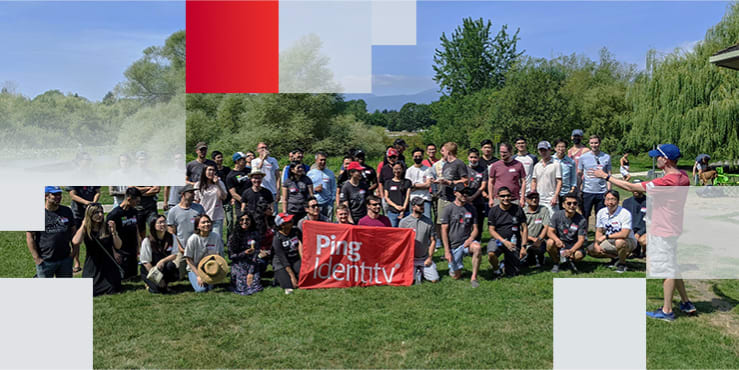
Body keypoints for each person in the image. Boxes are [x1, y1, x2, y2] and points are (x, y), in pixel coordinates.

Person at [591, 143, 695, 321]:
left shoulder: (667, 181)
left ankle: (667, 311)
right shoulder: (683, 177)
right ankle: (685, 302)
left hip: (664, 229)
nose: (656, 159)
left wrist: (606, 177)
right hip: (674, 227)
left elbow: (631, 188)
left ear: (667, 159)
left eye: (659, 157)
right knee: (674, 265)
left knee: (667, 269)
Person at [72, 203, 122, 295]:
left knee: (113, 289)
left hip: (108, 264)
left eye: (101, 212)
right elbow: (75, 241)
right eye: (96, 213)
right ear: (90, 215)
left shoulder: (107, 227)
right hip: (92, 264)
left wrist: (114, 232)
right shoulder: (86, 229)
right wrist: (83, 225)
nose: (100, 215)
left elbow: (118, 246)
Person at [26, 186, 77, 278]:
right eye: (55, 194)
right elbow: (30, 237)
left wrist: (74, 252)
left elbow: (73, 232)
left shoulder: (67, 211)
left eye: (59, 194)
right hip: (45, 260)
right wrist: (36, 257)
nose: (58, 197)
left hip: (65, 259)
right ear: (46, 196)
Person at [440, 184, 481, 287]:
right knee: (456, 276)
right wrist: (446, 251)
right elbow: (444, 230)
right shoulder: (448, 209)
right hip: (454, 245)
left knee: (477, 248)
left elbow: (476, 229)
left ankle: (474, 277)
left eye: (466, 193)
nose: (464, 195)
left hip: (467, 243)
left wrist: (471, 238)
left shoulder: (471, 208)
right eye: (462, 192)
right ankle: (454, 268)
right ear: (455, 193)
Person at [587, 190, 637, 273]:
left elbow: (624, 234)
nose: (610, 202)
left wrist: (606, 237)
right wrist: (596, 243)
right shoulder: (601, 212)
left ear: (617, 201)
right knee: (591, 250)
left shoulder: (625, 213)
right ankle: (616, 258)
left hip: (628, 241)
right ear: (604, 201)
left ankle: (622, 264)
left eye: (613, 199)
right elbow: (599, 231)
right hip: (610, 241)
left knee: (619, 242)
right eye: (607, 199)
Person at [487, 187, 528, 277]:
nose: (506, 198)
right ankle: (496, 270)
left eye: (508, 195)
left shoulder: (518, 209)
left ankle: (504, 264)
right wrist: (504, 242)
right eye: (503, 196)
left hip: (514, 241)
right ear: (498, 197)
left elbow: (524, 228)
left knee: (512, 274)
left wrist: (523, 247)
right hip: (498, 240)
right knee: (491, 253)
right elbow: (491, 230)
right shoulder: (493, 211)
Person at [167, 184, 206, 279]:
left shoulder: (199, 208)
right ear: (183, 194)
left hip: (197, 247)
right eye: (191, 192)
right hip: (181, 248)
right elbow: (171, 231)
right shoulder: (173, 211)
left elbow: (205, 225)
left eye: (194, 192)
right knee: (178, 276)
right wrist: (179, 246)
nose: (194, 194)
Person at [399, 197, 439, 284]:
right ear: (413, 207)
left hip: (424, 258)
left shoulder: (429, 222)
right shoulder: (404, 222)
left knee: (434, 279)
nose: (422, 207)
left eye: (423, 205)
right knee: (410, 281)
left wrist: (429, 258)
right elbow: (400, 242)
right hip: (410, 259)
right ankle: (417, 272)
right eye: (419, 205)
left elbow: (433, 241)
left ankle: (421, 271)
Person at [105, 187, 142, 279]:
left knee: (133, 276)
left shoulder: (134, 212)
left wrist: (139, 245)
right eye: (136, 201)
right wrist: (114, 252)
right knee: (123, 277)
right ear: (129, 199)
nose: (137, 204)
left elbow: (136, 228)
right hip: (121, 250)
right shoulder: (114, 214)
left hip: (132, 249)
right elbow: (108, 236)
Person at [546, 192, 588, 273]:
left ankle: (569, 261)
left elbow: (581, 240)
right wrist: (557, 240)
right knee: (550, 242)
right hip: (560, 243)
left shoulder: (582, 220)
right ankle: (556, 263)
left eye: (574, 203)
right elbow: (550, 232)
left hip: (574, 244)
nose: (572, 206)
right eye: (569, 203)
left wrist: (571, 251)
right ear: (563, 205)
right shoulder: (557, 215)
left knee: (578, 255)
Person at [435, 142, 469, 235]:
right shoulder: (446, 164)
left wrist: (451, 183)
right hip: (443, 196)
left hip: (453, 197)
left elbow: (465, 180)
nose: (442, 153)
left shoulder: (459, 163)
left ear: (449, 152)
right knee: (441, 221)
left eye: (444, 151)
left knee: (453, 222)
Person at [184, 214, 224, 292]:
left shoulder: (216, 237)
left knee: (209, 288)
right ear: (197, 226)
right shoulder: (193, 239)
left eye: (208, 222)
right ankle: (194, 278)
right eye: (203, 222)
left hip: (210, 268)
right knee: (201, 290)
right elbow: (188, 259)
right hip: (195, 269)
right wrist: (198, 276)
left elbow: (218, 256)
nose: (206, 224)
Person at [577, 134, 611, 226]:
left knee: (600, 215)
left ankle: (598, 235)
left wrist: (608, 190)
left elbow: (609, 175)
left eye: (596, 143)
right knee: (585, 214)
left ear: (599, 143)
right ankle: (584, 235)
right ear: (589, 144)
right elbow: (579, 174)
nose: (594, 145)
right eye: (592, 143)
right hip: (587, 190)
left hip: (602, 191)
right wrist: (578, 189)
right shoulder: (583, 157)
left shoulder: (606, 157)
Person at [139, 215, 178, 294]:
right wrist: (157, 278)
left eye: (164, 222)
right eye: (160, 223)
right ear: (153, 225)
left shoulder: (172, 237)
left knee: (171, 266)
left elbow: (174, 254)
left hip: (162, 266)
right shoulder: (147, 241)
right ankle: (149, 284)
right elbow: (146, 262)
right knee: (156, 291)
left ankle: (165, 284)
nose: (163, 224)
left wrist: (163, 261)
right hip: (150, 269)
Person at [67, 185, 101, 273]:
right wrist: (86, 203)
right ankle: (76, 262)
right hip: (77, 213)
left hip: (92, 213)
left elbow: (98, 192)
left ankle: (95, 260)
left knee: (94, 237)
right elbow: (72, 195)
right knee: (75, 239)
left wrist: (93, 204)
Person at [227, 212, 263, 295]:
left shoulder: (255, 234)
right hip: (238, 263)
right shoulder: (233, 236)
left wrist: (250, 272)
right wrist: (244, 253)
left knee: (255, 285)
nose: (244, 222)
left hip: (252, 263)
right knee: (242, 287)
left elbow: (256, 254)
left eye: (247, 219)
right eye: (242, 220)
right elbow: (231, 256)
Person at [194, 164, 228, 239]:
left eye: (213, 170)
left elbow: (223, 197)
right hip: (203, 216)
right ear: (204, 171)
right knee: (203, 239)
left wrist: (217, 184)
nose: (211, 172)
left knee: (217, 239)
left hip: (216, 215)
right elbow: (196, 201)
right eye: (209, 170)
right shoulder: (198, 185)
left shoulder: (219, 183)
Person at [272, 213, 303, 294]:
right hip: (281, 263)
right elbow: (283, 259)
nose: (292, 221)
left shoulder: (296, 231)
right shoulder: (277, 238)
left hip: (295, 259)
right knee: (289, 285)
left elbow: (301, 244)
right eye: (289, 221)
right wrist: (292, 276)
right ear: (282, 225)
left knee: (303, 279)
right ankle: (278, 277)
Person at [531, 141, 562, 215]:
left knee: (553, 222)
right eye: (541, 150)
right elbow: (534, 181)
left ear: (550, 150)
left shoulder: (556, 164)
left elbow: (559, 182)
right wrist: (533, 194)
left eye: (545, 150)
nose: (543, 152)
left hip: (551, 199)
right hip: (539, 199)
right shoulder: (537, 166)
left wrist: (555, 196)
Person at [225, 151, 252, 232]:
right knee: (242, 223)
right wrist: (244, 202)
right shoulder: (230, 176)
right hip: (240, 204)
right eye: (243, 159)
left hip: (253, 200)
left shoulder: (249, 170)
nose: (245, 161)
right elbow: (233, 193)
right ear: (237, 161)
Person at [251, 142, 281, 211]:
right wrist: (263, 159)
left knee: (273, 212)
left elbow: (278, 176)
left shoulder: (273, 160)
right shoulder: (254, 161)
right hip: (260, 190)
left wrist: (278, 191)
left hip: (272, 191)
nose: (264, 149)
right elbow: (257, 170)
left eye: (265, 148)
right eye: (262, 148)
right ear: (258, 150)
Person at [523, 192, 549, 268]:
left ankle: (540, 257)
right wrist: (531, 238)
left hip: (540, 240)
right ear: (526, 200)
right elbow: (520, 230)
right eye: (531, 198)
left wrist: (539, 239)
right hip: (526, 240)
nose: (534, 200)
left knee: (539, 247)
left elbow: (546, 226)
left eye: (536, 198)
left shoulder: (544, 209)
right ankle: (529, 257)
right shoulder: (522, 212)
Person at [307, 151, 336, 220]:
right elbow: (307, 188)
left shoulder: (330, 173)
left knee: (328, 223)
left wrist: (332, 199)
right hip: (316, 203)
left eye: (324, 160)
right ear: (316, 160)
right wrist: (314, 189)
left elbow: (334, 187)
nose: (323, 162)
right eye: (321, 160)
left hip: (328, 203)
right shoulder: (310, 174)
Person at [405, 148, 433, 219]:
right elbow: (408, 185)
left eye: (419, 156)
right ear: (412, 157)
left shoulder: (428, 169)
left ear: (423, 157)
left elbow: (428, 185)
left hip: (425, 199)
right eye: (416, 156)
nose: (418, 158)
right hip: (413, 199)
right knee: (413, 220)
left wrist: (414, 185)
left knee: (427, 220)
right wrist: (422, 185)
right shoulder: (409, 170)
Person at [622, 180, 647, 258]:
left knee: (643, 241)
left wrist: (639, 233)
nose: (635, 190)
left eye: (637, 187)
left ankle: (645, 252)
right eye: (633, 187)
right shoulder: (626, 202)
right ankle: (634, 251)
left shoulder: (650, 201)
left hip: (645, 230)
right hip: (630, 230)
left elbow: (651, 222)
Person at [467, 148, 488, 239]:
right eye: (471, 157)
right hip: (466, 199)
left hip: (478, 199)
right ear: (468, 158)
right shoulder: (464, 169)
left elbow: (483, 186)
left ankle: (477, 240)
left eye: (475, 157)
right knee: (467, 221)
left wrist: (473, 197)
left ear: (478, 158)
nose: (473, 159)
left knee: (479, 221)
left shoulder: (483, 170)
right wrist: (468, 198)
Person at [212, 150, 233, 240]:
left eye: (221, 157)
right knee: (216, 221)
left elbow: (231, 184)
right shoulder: (212, 171)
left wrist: (232, 197)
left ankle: (229, 239)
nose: (221, 159)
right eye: (218, 157)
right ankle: (216, 239)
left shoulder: (227, 170)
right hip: (216, 200)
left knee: (230, 220)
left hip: (227, 199)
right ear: (214, 159)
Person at [384, 162, 412, 227]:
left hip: (405, 212)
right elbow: (386, 198)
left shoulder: (407, 182)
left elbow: (408, 197)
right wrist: (396, 206)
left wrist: (403, 209)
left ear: (402, 169)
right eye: (395, 169)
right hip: (392, 212)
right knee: (393, 231)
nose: (397, 171)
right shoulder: (388, 182)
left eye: (399, 169)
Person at [552, 139, 577, 208]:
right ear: (555, 148)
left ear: (566, 148)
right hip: (552, 192)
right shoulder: (550, 160)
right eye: (559, 147)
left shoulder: (571, 161)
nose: (561, 149)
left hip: (565, 192)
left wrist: (572, 189)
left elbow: (573, 177)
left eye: (563, 147)